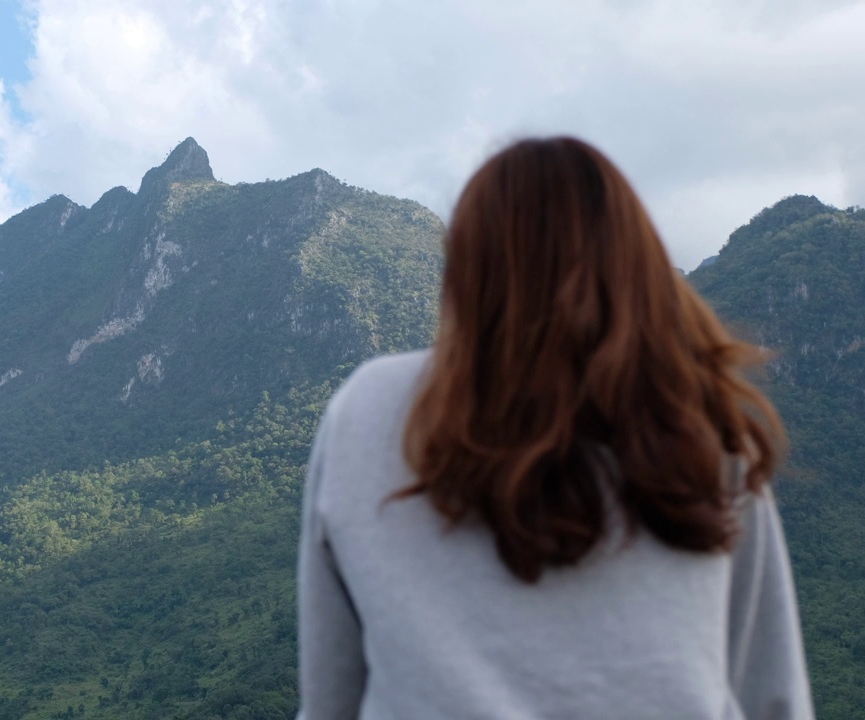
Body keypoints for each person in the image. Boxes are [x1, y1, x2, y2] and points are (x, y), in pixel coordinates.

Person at [297, 137, 814, 719]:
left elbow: (330, 700)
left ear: (469, 270)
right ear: (637, 266)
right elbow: (774, 698)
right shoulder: (703, 434)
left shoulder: (375, 411)